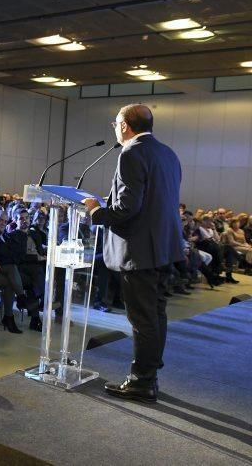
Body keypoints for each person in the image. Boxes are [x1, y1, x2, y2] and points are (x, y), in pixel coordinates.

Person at [83, 104, 183, 403]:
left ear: (125, 125)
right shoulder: (168, 154)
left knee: (142, 319)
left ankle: (142, 381)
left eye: (116, 123)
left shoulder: (131, 152)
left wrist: (97, 210)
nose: (115, 127)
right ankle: (149, 376)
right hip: (164, 247)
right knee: (156, 315)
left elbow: (128, 207)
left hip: (139, 250)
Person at [0, 210, 42, 333]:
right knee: (13, 281)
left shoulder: (5, 236)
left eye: (5, 221)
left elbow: (15, 255)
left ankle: (31, 316)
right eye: (0, 219)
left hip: (11, 270)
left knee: (32, 280)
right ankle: (20, 304)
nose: (2, 223)